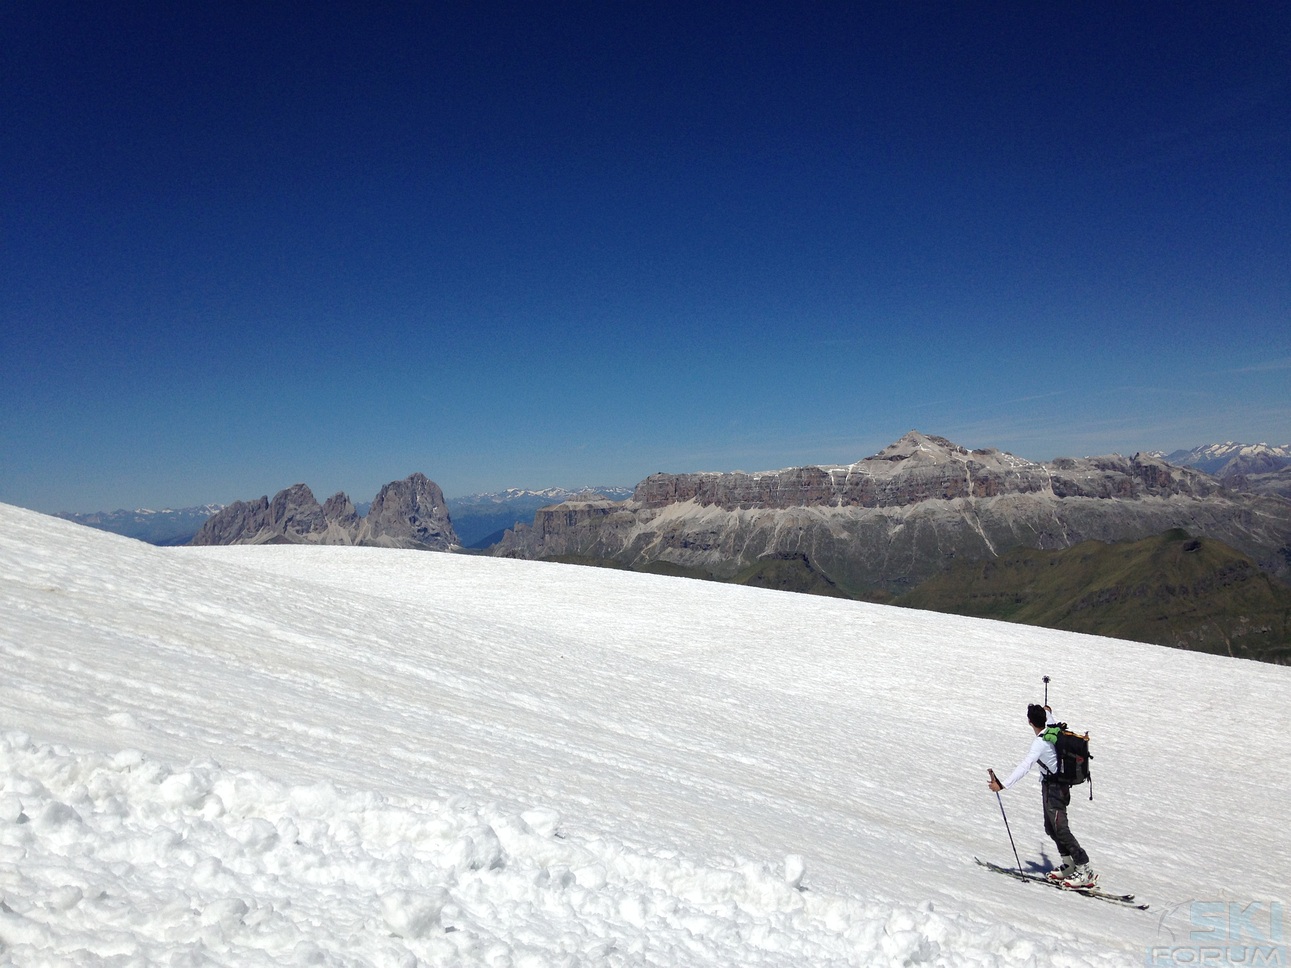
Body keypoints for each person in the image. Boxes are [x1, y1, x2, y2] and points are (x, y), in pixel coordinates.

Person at [988, 703, 1097, 888]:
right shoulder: (1052, 728)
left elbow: (1025, 766)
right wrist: (1048, 712)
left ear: (1030, 722)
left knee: (1060, 828)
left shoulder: (1039, 743)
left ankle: (1084, 869)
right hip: (1052, 787)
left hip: (1055, 790)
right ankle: (1069, 866)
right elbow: (1050, 717)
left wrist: (1003, 785)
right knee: (1050, 827)